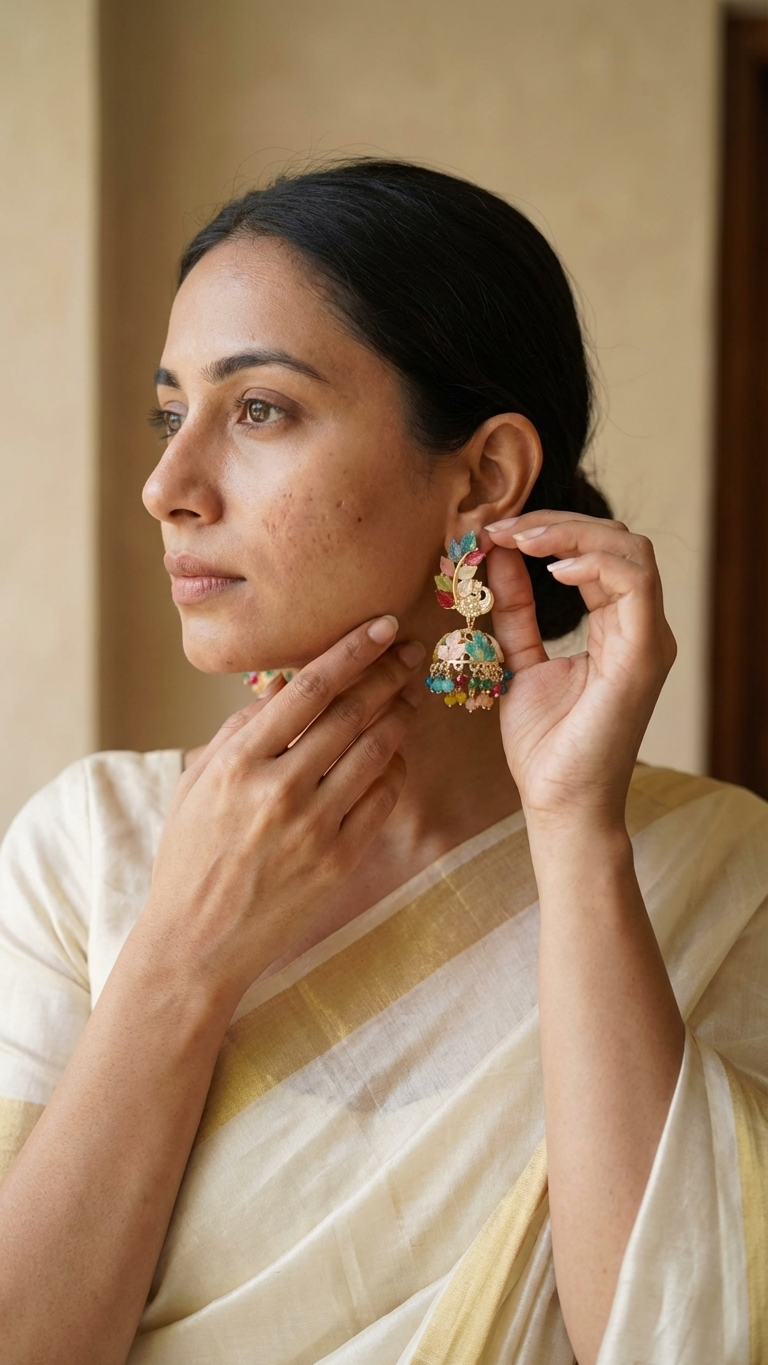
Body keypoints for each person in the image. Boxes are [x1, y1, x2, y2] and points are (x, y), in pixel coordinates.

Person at [0, 160, 765, 1365]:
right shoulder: (87, 847)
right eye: (172, 412)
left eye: (259, 410)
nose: (167, 486)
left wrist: (574, 833)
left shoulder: (725, 874)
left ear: (482, 478)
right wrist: (181, 957)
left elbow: (687, 1334)